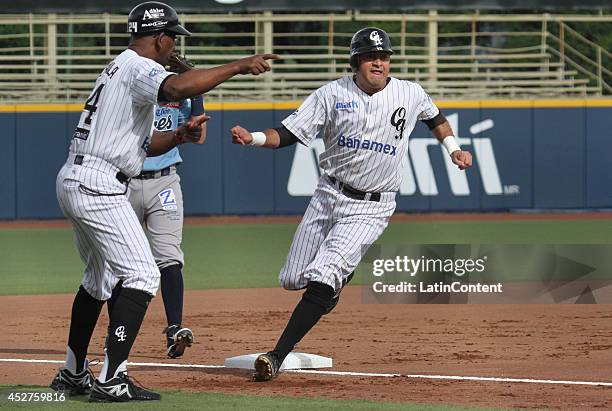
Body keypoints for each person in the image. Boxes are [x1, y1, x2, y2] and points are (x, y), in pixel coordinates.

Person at [50, 1, 277, 402]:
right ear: (160, 37)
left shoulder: (119, 66)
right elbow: (177, 86)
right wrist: (238, 66)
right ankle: (112, 378)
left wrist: (177, 137)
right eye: (173, 39)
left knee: (99, 280)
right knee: (141, 276)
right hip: (98, 182)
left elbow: (137, 143)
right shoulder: (139, 66)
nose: (174, 47)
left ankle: (73, 372)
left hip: (80, 176)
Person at [230, 27, 472, 382]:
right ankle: (337, 282)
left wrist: (454, 149)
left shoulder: (410, 92)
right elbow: (288, 133)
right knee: (293, 279)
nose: (379, 62)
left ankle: (277, 354)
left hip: (372, 206)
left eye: (384, 56)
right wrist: (252, 138)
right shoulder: (331, 94)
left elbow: (435, 119)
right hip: (328, 195)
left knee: (322, 275)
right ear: (356, 61)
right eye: (370, 56)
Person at [126, 53, 205, 359]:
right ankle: (116, 335)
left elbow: (199, 137)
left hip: (165, 182)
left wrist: (196, 89)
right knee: (123, 261)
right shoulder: (133, 89)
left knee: (169, 256)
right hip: (126, 181)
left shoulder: (179, 97)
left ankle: (175, 329)